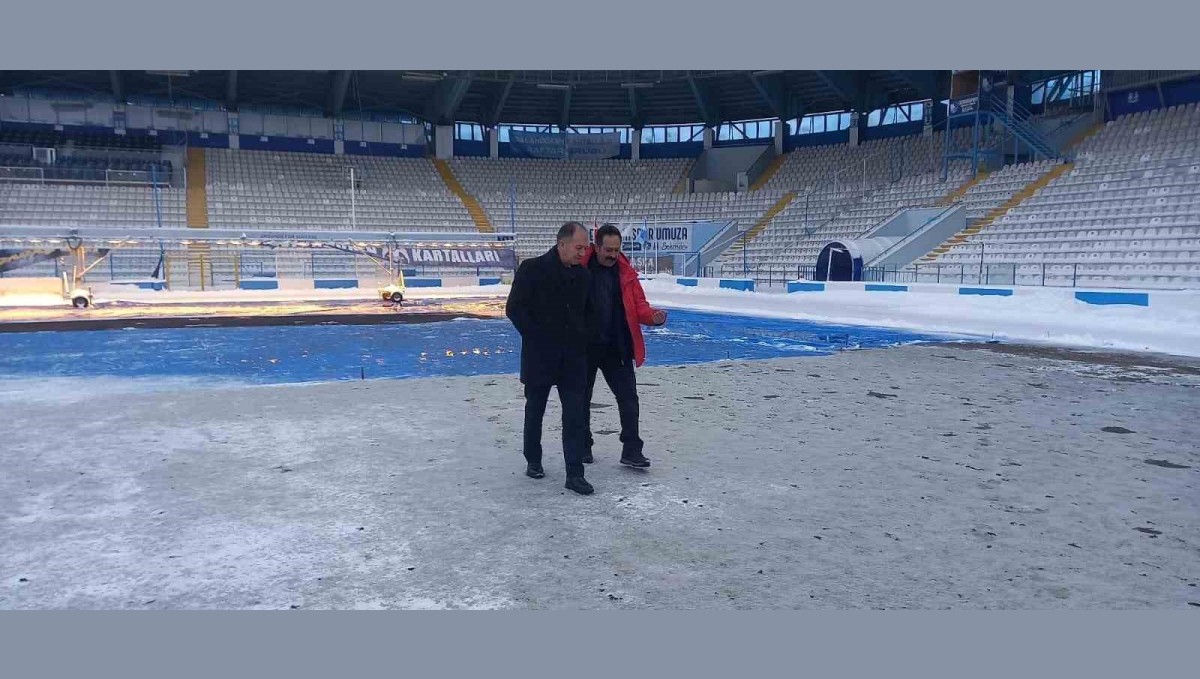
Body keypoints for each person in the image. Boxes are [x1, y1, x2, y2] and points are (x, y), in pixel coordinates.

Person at [504, 222, 596, 495]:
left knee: (575, 416)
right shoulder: (532, 269)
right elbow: (514, 308)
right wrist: (536, 336)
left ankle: (575, 473)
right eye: (579, 247)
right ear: (561, 244)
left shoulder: (584, 275)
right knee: (535, 411)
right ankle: (533, 460)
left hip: (573, 359)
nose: (582, 253)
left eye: (585, 248)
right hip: (540, 356)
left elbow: (589, 313)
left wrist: (583, 338)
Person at [579, 223, 667, 469]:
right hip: (584, 347)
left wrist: (653, 317)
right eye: (608, 250)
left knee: (629, 398)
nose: (613, 255)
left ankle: (632, 449)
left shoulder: (626, 273)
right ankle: (583, 445)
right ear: (597, 247)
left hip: (617, 346)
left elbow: (639, 306)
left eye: (617, 250)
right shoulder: (579, 269)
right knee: (581, 399)